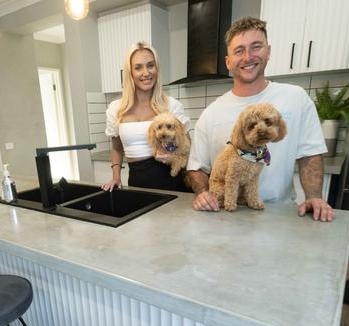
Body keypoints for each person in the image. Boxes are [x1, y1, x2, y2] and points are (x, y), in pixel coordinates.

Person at [186, 17, 335, 222]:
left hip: (280, 215)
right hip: (224, 217)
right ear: (228, 61)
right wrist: (203, 193)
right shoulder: (210, 113)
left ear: (268, 51)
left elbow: (310, 155)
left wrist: (315, 197)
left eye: (256, 47)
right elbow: (196, 167)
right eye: (239, 51)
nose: (248, 57)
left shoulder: (295, 98)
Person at [101, 42, 191, 192]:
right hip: (137, 181)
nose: (146, 72)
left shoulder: (171, 105)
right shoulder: (116, 109)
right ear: (130, 73)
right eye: (138, 67)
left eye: (150, 65)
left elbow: (189, 146)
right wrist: (116, 177)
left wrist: (174, 158)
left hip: (172, 180)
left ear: (157, 68)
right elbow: (117, 148)